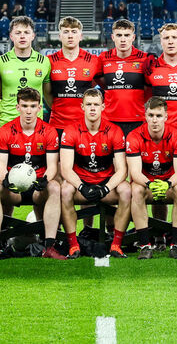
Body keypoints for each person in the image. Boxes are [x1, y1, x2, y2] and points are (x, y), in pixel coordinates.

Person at [0, 88, 65, 259]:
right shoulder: (6, 131)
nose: (29, 111)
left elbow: (52, 166)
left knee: (55, 187)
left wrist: (45, 180)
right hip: (14, 189)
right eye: (25, 106)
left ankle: (50, 246)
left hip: (37, 189)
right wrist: (4, 179)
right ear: (17, 107)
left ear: (39, 107)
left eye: (33, 106)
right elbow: (0, 165)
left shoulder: (49, 131)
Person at [59, 89, 132, 258]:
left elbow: (122, 170)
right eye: (89, 105)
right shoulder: (71, 130)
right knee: (65, 190)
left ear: (103, 107)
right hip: (81, 184)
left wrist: (105, 188)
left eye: (96, 105)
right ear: (82, 107)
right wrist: (81, 187)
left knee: (126, 190)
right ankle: (73, 245)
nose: (92, 108)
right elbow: (66, 169)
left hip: (105, 184)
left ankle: (116, 244)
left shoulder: (114, 131)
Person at [126, 97, 177, 259]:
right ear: (145, 116)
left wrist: (167, 184)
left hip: (169, 184)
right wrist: (150, 184)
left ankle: (175, 245)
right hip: (147, 184)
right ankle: (145, 245)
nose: (155, 120)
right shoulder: (134, 136)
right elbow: (134, 172)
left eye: (159, 116)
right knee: (136, 189)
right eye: (151, 115)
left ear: (166, 116)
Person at [97, 19, 154, 134]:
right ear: (113, 37)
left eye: (127, 35)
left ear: (133, 37)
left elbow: (150, 89)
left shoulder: (144, 59)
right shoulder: (103, 58)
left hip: (137, 119)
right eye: (119, 35)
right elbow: (100, 82)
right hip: (109, 119)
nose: (123, 39)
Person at [0, 16, 52, 127]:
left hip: (35, 124)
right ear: (11, 36)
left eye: (26, 32)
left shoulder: (44, 62)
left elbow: (48, 95)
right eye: (18, 33)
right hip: (7, 123)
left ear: (33, 36)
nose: (22, 36)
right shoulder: (0, 62)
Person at [47, 16, 99, 134]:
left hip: (85, 125)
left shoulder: (93, 61)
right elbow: (47, 92)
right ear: (59, 36)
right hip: (57, 125)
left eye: (74, 32)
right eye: (66, 32)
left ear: (81, 36)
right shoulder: (49, 61)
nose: (70, 36)